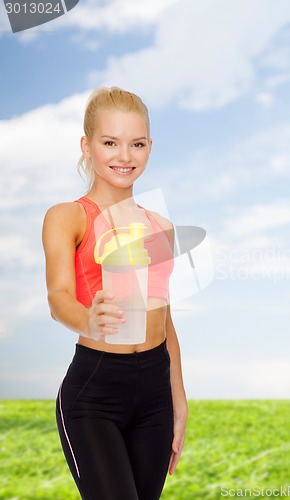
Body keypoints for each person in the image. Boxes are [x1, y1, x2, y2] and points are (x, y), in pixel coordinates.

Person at [42, 87, 188, 500]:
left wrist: (178, 399)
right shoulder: (67, 217)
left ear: (149, 147)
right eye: (110, 142)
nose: (125, 156)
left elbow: (165, 318)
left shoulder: (161, 225)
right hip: (95, 392)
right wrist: (88, 318)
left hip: (156, 394)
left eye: (136, 144)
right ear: (86, 146)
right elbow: (58, 297)